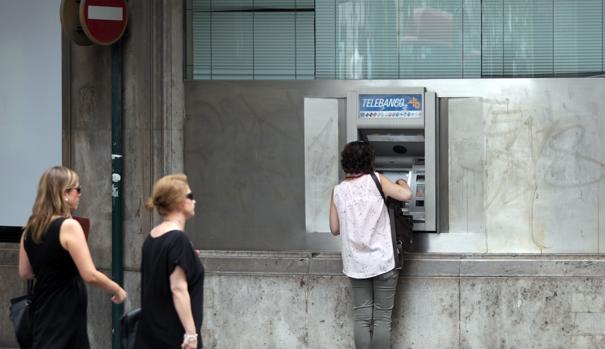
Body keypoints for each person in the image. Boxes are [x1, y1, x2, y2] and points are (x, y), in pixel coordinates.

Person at [18, 166, 128, 348]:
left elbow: (25, 272)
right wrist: (116, 289)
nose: (80, 194)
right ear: (64, 194)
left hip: (42, 305)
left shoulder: (31, 227)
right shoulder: (69, 226)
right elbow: (89, 274)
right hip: (65, 308)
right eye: (77, 189)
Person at [329, 141, 412, 349]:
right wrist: (402, 182)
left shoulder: (338, 190)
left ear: (345, 163)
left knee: (362, 318)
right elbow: (406, 195)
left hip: (356, 263)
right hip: (383, 261)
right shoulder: (377, 180)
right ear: (369, 161)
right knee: (382, 318)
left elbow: (334, 228)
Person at [135, 174, 204, 349]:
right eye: (190, 196)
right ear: (179, 201)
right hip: (175, 337)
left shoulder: (153, 236)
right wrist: (191, 334)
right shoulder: (177, 240)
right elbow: (178, 288)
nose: (194, 200)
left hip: (151, 335)